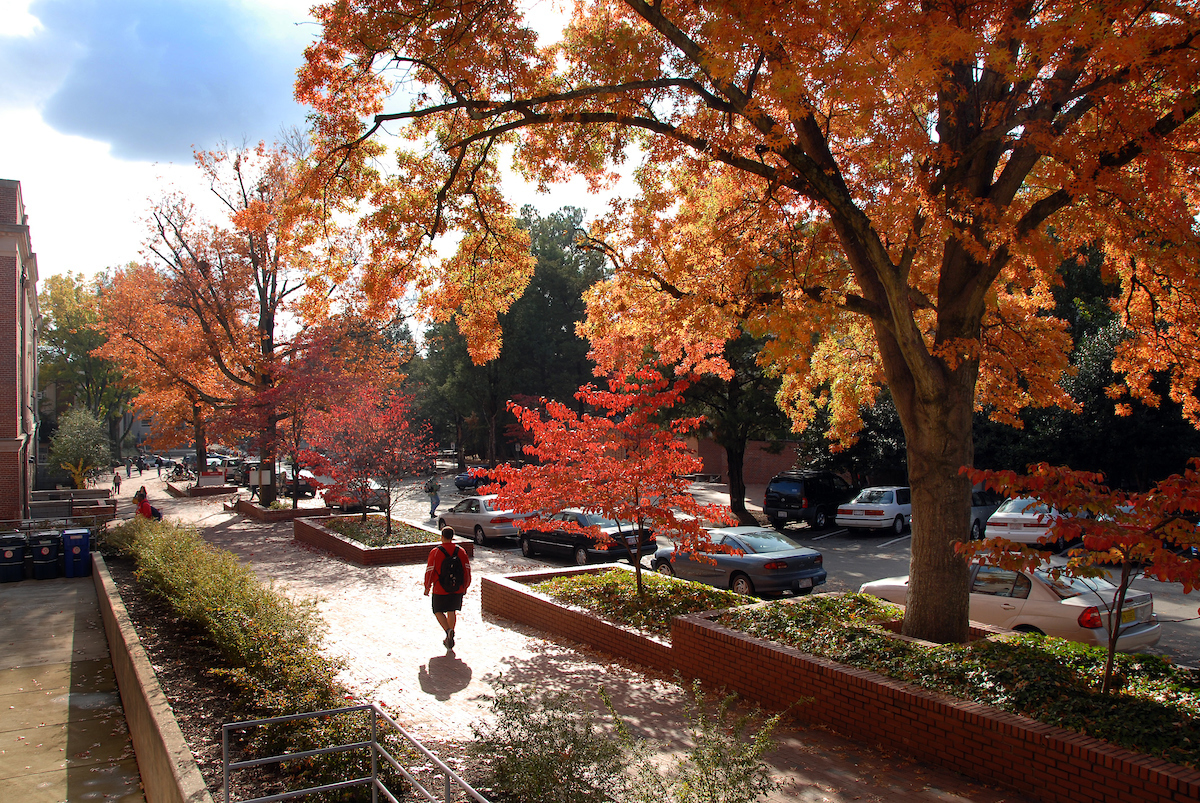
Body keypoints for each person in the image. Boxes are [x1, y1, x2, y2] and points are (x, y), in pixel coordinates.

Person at [424, 528, 470, 649]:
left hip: (440, 588)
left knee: (437, 610)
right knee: (451, 610)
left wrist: (427, 587)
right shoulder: (461, 551)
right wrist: (465, 586)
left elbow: (430, 570)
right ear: (452, 536)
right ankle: (449, 637)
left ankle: (448, 630)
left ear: (442, 537)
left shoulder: (436, 552)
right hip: (457, 587)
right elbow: (467, 570)